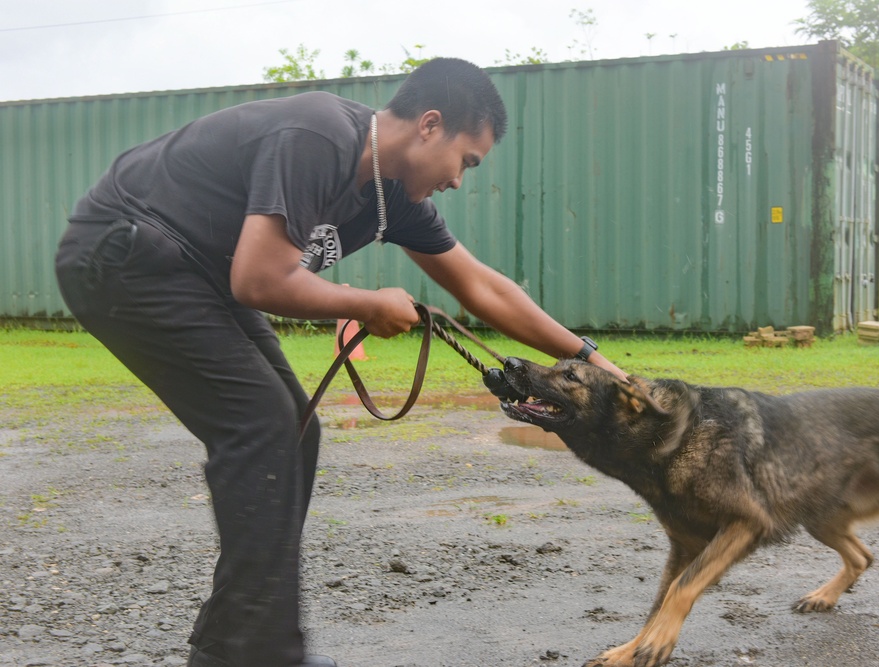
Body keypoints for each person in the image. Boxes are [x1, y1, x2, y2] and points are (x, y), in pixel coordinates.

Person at [54, 57, 625, 667]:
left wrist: (596, 365)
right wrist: (364, 303)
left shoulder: (392, 196)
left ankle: (231, 647)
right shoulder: (318, 134)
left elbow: (483, 288)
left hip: (201, 276)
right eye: (467, 160)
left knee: (294, 430)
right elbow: (259, 278)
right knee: (262, 426)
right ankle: (260, 655)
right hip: (126, 253)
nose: (461, 181)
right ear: (430, 125)